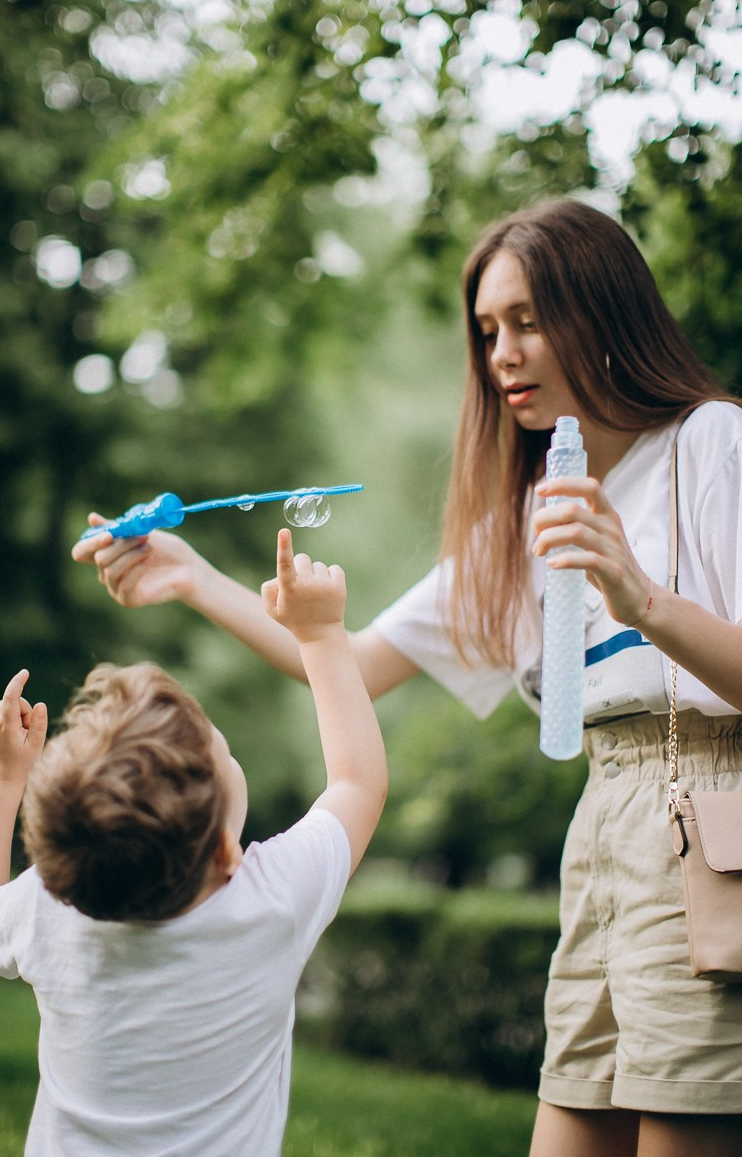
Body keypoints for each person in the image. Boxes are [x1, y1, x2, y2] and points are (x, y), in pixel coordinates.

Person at [72, 198, 742, 1157]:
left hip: (707, 823)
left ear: (603, 311)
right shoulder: (520, 525)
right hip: (599, 835)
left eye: (528, 319)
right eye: (486, 331)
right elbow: (345, 662)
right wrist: (192, 576)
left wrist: (643, 600)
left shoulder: (706, 446)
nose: (502, 354)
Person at [0, 528, 387, 1157]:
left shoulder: (50, 907)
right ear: (225, 854)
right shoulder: (270, 902)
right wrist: (319, 635)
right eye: (225, 754)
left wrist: (3, 775)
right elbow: (358, 779)